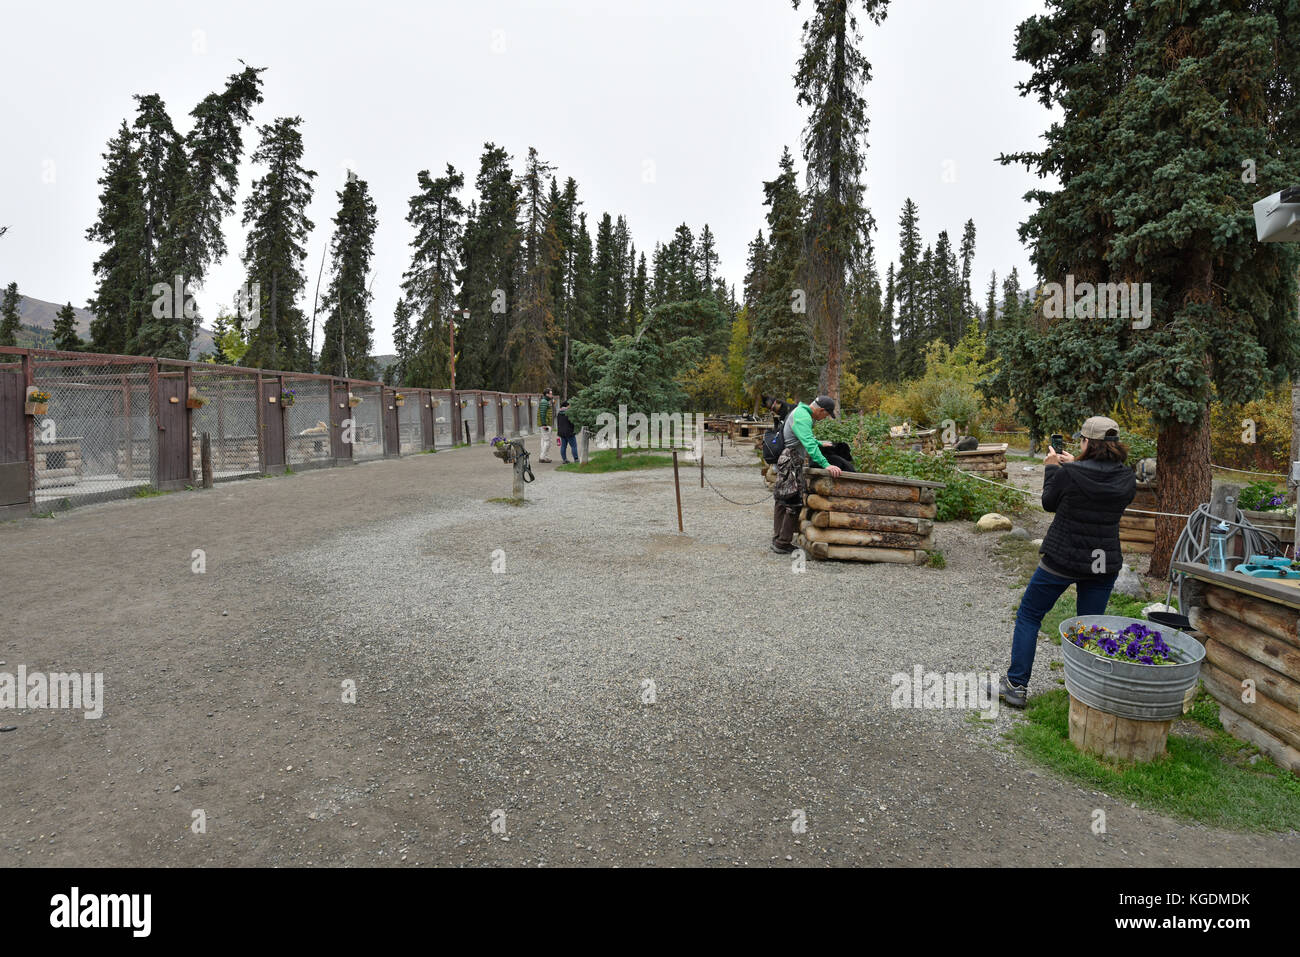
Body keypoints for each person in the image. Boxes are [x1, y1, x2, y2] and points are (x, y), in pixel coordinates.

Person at [996, 416, 1136, 708]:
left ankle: (1017, 686)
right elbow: (1101, 484)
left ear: (1088, 442)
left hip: (1063, 557)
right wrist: (1075, 466)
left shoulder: (1069, 473)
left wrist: (1052, 468)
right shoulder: (1126, 477)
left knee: (1030, 615)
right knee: (1090, 627)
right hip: (1101, 562)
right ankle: (1087, 695)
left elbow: (1049, 503)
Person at [771, 395, 841, 554]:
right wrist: (826, 464)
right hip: (791, 461)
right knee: (793, 501)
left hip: (788, 458)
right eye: (826, 415)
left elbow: (803, 437)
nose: (824, 418)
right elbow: (808, 444)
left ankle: (777, 538)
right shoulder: (804, 416)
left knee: (782, 499)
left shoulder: (800, 412)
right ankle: (782, 543)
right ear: (821, 410)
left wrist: (818, 442)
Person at [557, 399, 577, 464]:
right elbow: (572, 422)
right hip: (569, 432)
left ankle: (564, 459)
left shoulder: (559, 413)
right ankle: (576, 459)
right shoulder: (569, 413)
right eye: (569, 405)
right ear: (567, 406)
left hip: (562, 432)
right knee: (574, 446)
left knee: (563, 446)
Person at [537, 388, 555, 462]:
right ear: (547, 394)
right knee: (548, 441)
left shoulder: (546, 401)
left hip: (546, 423)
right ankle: (542, 457)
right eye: (551, 393)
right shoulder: (544, 402)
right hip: (545, 424)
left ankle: (544, 457)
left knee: (544, 440)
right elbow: (542, 413)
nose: (552, 395)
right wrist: (544, 424)